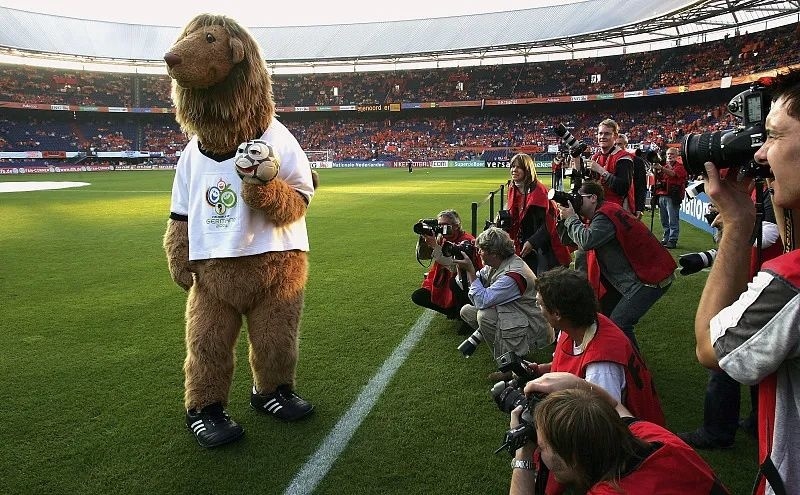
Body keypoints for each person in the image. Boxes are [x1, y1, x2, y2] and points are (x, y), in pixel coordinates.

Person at [694, 69, 800, 495]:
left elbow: (709, 346)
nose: (759, 153)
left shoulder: (793, 282)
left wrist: (738, 224)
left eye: (773, 136)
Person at [508, 373, 730, 495]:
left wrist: (523, 454)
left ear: (573, 458)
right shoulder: (653, 436)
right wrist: (578, 384)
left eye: (541, 446)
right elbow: (616, 406)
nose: (538, 449)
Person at [680, 189, 783, 450]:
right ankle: (757, 421)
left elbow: (769, 235)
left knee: (721, 350)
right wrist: (710, 253)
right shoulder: (760, 187)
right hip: (756, 281)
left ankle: (716, 431)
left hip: (768, 285)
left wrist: (733, 223)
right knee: (762, 361)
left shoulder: (775, 188)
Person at [530, 267, 665, 426]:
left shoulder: (601, 368)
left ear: (557, 314)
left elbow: (603, 424)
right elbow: (575, 363)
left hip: (628, 433)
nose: (538, 309)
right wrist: (545, 369)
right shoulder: (585, 323)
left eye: (540, 304)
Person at [557, 180, 676, 349]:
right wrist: (563, 219)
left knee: (620, 322)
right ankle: (609, 354)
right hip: (643, 273)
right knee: (602, 316)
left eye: (579, 198)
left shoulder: (605, 216)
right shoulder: (606, 211)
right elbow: (569, 240)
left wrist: (571, 219)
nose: (576, 201)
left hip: (649, 278)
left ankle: (632, 362)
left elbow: (587, 241)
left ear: (593, 198)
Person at [453, 227, 553, 377]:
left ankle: (510, 367)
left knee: (484, 316)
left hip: (533, 328)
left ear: (494, 253)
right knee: (467, 311)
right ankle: (510, 352)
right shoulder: (499, 263)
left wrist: (471, 271)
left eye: (481, 250)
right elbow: (470, 286)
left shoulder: (513, 275)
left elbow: (481, 300)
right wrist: (462, 269)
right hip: (516, 316)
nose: (478, 252)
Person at [411, 209, 479, 327]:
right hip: (443, 283)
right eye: (439, 225)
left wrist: (435, 246)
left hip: (463, 283)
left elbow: (455, 267)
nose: (441, 228)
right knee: (419, 296)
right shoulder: (441, 238)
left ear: (456, 226)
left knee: (455, 284)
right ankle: (453, 312)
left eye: (445, 225)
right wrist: (424, 238)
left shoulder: (466, 241)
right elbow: (424, 256)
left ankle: (462, 314)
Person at [506, 153, 572, 275]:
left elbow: (549, 224)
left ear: (527, 169)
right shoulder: (513, 188)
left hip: (546, 246)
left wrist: (532, 242)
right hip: (525, 242)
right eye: (512, 166)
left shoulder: (539, 192)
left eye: (518, 167)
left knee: (544, 279)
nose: (514, 170)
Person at [572, 118, 635, 212]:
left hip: (615, 210)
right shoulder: (595, 157)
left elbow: (622, 188)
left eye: (607, 133)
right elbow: (585, 184)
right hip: (596, 209)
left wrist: (600, 170)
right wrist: (576, 159)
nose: (602, 136)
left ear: (615, 136)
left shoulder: (624, 158)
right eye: (600, 133)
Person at [652, 147, 688, 248]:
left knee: (673, 219)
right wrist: (655, 170)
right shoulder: (664, 166)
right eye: (668, 154)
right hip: (662, 194)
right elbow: (659, 177)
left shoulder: (680, 167)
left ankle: (672, 240)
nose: (669, 156)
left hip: (673, 196)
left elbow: (673, 174)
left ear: (677, 156)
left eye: (672, 154)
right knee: (664, 219)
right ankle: (666, 238)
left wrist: (661, 168)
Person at [615, 133, 647, 219]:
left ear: (626, 145)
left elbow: (641, 186)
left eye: (619, 144)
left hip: (629, 203)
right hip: (612, 201)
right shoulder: (607, 160)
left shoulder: (637, 161)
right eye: (615, 144)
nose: (617, 147)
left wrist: (640, 208)